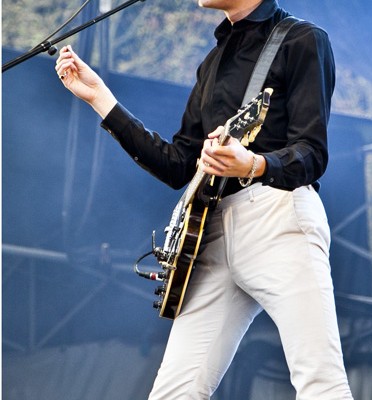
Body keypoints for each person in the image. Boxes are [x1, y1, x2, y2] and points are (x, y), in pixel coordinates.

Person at [55, 0, 354, 398]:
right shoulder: (214, 60)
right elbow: (179, 164)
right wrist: (101, 99)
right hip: (210, 230)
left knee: (320, 382)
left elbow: (312, 152)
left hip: (278, 217)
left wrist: (253, 163)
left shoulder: (301, 39)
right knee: (173, 393)